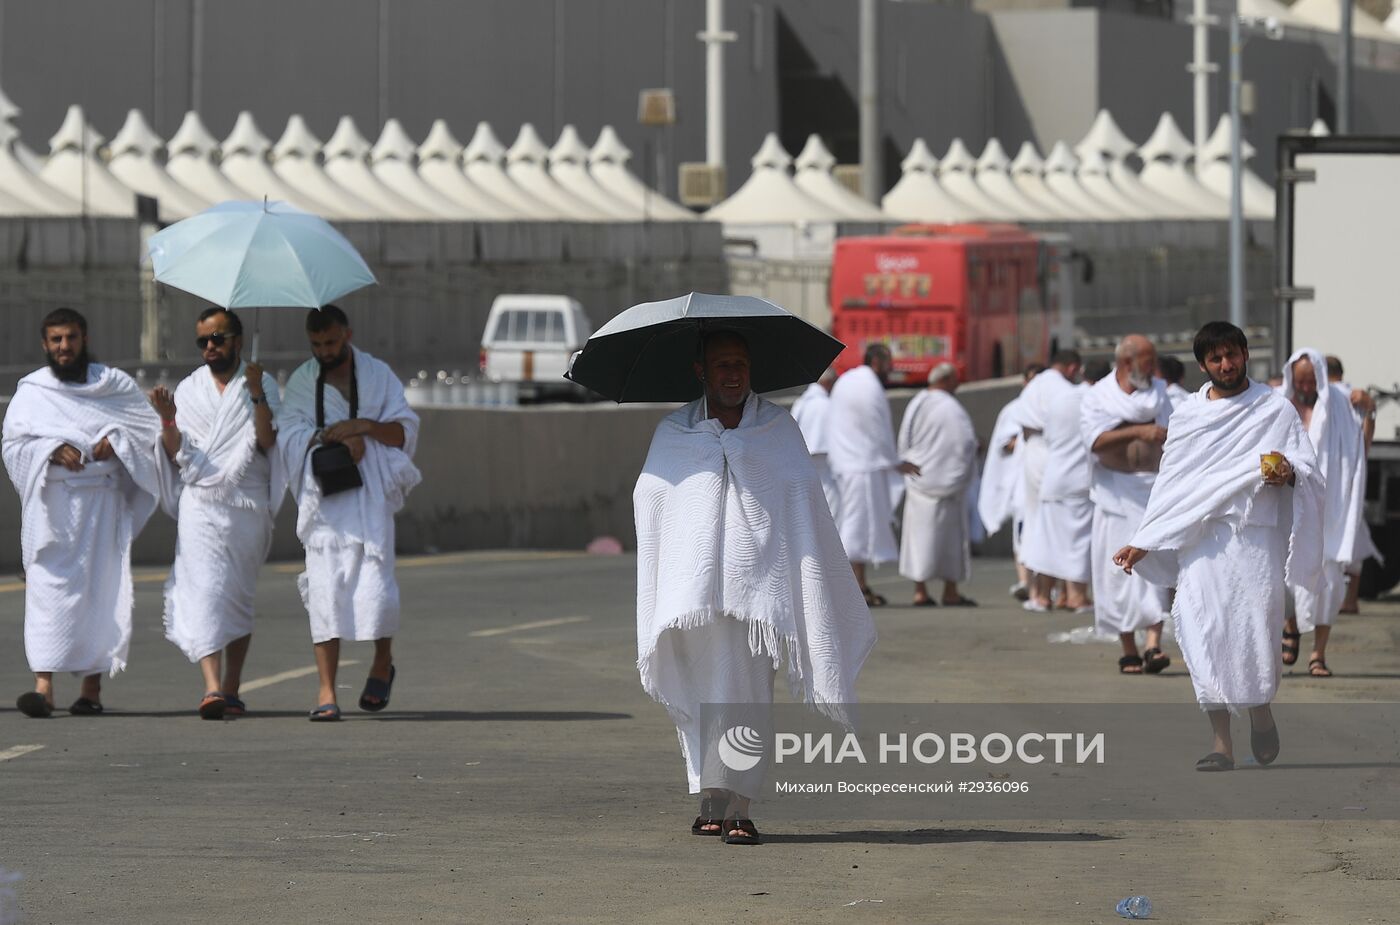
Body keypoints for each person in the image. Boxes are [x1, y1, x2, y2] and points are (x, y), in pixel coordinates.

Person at [634, 330, 875, 846]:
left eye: (740, 363)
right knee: (701, 693)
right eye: (721, 364)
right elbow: (651, 496)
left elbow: (801, 495)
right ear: (701, 371)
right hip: (691, 599)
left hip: (757, 592)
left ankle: (740, 805)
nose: (732, 374)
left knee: (744, 698)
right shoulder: (675, 431)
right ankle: (711, 796)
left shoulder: (777, 428)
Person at [1115, 322, 1322, 771]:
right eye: (1215, 359)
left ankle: (1260, 708)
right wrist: (1144, 539)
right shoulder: (1189, 416)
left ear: (1245, 354)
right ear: (1203, 365)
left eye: (1232, 355)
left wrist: (1287, 472)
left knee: (1254, 631)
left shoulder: (1274, 408)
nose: (1226, 365)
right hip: (1202, 540)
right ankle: (1220, 743)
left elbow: (1307, 467)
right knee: (1202, 627)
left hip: (1254, 538)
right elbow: (1172, 484)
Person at [2, 308, 161, 718]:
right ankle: (44, 688)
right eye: (56, 340)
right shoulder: (33, 391)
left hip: (102, 503)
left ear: (84, 338)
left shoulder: (114, 384)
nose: (64, 347)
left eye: (70, 338)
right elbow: (13, 445)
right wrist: (50, 449)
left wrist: (117, 439)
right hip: (52, 506)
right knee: (46, 589)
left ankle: (91, 690)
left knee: (101, 591)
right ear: (45, 344)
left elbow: (147, 431)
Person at [276, 305, 422, 722]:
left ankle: (382, 662)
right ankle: (326, 692)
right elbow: (289, 435)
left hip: (370, 502)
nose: (324, 351)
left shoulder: (377, 375)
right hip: (323, 503)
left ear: (348, 335)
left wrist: (364, 429)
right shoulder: (304, 381)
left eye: (332, 343)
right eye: (317, 344)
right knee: (324, 596)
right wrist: (330, 439)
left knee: (377, 591)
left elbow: (404, 431)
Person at [151, 308, 284, 719]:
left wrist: (258, 392)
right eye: (203, 341)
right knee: (205, 589)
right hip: (201, 503)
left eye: (218, 338)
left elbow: (265, 441)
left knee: (238, 594)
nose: (210, 346)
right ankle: (211, 687)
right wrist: (168, 418)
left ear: (238, 341)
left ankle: (232, 686)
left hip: (246, 501)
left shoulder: (262, 384)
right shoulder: (190, 389)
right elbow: (176, 451)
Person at [1080, 335, 1172, 674]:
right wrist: (1137, 432)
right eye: (1147, 361)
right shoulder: (1098, 397)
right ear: (1126, 363)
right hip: (1114, 492)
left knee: (1154, 568)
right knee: (1117, 574)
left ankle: (1153, 645)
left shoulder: (1160, 392)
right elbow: (1094, 440)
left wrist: (1157, 436)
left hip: (1152, 490)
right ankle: (1129, 647)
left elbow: (1175, 432)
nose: (1152, 367)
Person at [1279, 349, 1367, 678]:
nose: (1304, 386)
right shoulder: (1279, 405)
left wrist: (1368, 408)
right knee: (1283, 574)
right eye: (1299, 380)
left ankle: (1318, 654)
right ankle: (1290, 623)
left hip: (1327, 504)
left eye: (1310, 379)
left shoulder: (1339, 406)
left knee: (1328, 580)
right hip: (1287, 502)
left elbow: (1360, 437)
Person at [826, 344, 920, 606]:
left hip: (846, 464)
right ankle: (851, 588)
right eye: (889, 362)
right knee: (857, 531)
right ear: (877, 361)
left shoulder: (847, 380)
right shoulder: (870, 386)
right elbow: (880, 431)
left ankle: (860, 585)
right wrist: (895, 462)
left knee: (858, 528)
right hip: (862, 467)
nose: (891, 369)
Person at [897, 363, 978, 607]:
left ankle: (920, 591)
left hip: (918, 479)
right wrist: (958, 475)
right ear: (948, 379)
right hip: (946, 484)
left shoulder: (917, 404)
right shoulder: (952, 409)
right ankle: (950, 591)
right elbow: (963, 444)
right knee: (950, 539)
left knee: (917, 538)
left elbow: (904, 441)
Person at [1020, 351, 1092, 612]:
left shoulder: (1037, 385)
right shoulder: (1072, 394)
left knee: (1044, 534)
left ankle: (1041, 594)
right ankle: (1072, 595)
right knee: (1075, 538)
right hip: (1062, 465)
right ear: (1073, 368)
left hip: (1038, 460)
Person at [978, 364, 1044, 600]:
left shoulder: (1053, 405)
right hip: (1021, 482)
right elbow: (1003, 445)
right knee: (1023, 531)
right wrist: (1021, 442)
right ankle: (1025, 582)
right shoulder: (1013, 410)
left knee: (1044, 532)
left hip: (1046, 480)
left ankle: (1043, 587)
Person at [1325, 354, 1380, 616]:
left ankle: (1331, 600)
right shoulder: (1356, 398)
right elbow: (1366, 439)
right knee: (1354, 533)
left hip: (1327, 477)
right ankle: (1350, 599)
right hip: (1352, 476)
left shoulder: (1325, 397)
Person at [790, 367, 840, 519]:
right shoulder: (826, 403)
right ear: (828, 382)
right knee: (830, 499)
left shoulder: (801, 402)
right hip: (824, 456)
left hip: (803, 454)